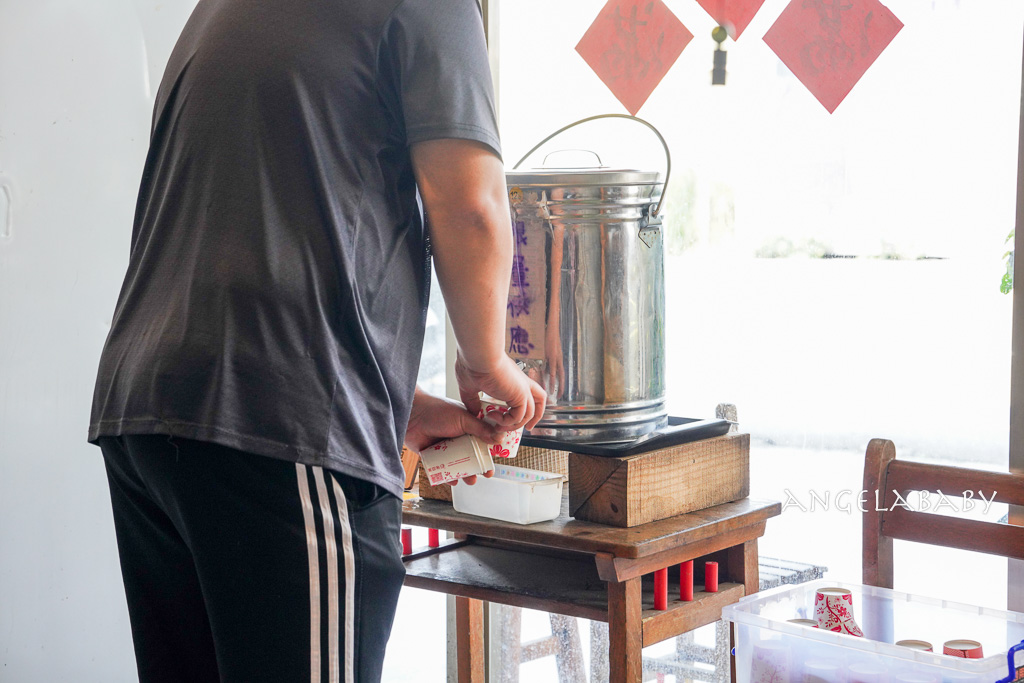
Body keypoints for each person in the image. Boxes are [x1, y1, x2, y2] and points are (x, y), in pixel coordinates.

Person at [87, 1, 546, 681]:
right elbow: (470, 206)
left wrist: (393, 401)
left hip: (148, 409)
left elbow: (266, 213)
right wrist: (487, 363)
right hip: (279, 428)